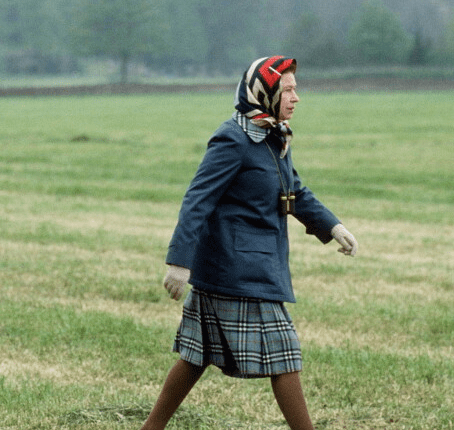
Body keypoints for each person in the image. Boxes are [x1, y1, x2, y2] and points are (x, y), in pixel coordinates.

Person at [140, 56, 358, 430]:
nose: (296, 97)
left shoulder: (273, 136)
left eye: (294, 89)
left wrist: (332, 225)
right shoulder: (234, 138)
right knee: (285, 355)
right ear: (265, 93)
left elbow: (294, 190)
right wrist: (179, 261)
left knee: (195, 357)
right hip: (239, 271)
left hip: (249, 266)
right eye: (287, 89)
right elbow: (198, 199)